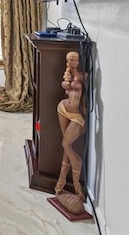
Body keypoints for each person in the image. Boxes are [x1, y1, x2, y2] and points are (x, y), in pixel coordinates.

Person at [55, 51, 86, 201]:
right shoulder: (67, 75)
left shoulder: (82, 76)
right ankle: (60, 185)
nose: (71, 62)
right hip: (63, 108)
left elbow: (85, 100)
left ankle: (76, 183)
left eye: (74, 59)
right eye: (69, 59)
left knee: (66, 144)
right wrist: (65, 81)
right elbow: (65, 87)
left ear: (79, 61)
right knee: (66, 146)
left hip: (76, 116)